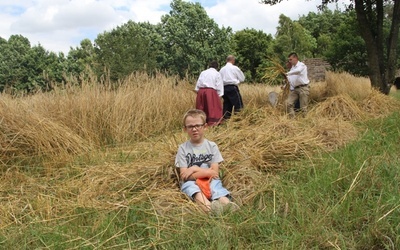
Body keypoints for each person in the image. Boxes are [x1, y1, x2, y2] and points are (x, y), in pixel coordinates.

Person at [175, 109, 239, 215]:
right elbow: (184, 176)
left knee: (216, 188)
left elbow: (214, 173)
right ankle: (209, 209)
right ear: (185, 129)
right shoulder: (183, 149)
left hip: (211, 180)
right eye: (190, 126)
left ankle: (228, 206)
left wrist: (194, 168)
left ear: (205, 126)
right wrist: (206, 172)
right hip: (192, 182)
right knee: (193, 190)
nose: (194, 129)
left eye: (198, 125)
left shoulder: (212, 146)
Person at [195, 61, 224, 126]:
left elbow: (198, 85)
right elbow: (219, 86)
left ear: (209, 66)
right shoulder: (217, 73)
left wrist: (199, 92)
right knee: (212, 108)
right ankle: (212, 123)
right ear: (217, 67)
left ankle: (201, 122)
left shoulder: (203, 72)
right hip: (211, 92)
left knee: (201, 107)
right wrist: (219, 96)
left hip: (201, 91)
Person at [219, 55, 245, 120]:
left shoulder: (222, 69)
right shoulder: (235, 68)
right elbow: (242, 78)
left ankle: (226, 121)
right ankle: (238, 120)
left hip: (224, 88)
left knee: (227, 105)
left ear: (226, 60)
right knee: (238, 105)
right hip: (232, 87)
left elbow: (219, 80)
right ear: (233, 60)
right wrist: (237, 81)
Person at [285, 52, 310, 118]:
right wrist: (285, 85)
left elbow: (298, 71)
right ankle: (293, 120)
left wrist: (287, 73)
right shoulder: (292, 68)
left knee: (303, 108)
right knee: (288, 104)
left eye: (290, 59)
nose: (289, 61)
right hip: (295, 89)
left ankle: (305, 123)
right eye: (289, 60)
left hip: (303, 88)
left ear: (295, 58)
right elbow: (290, 80)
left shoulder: (301, 65)